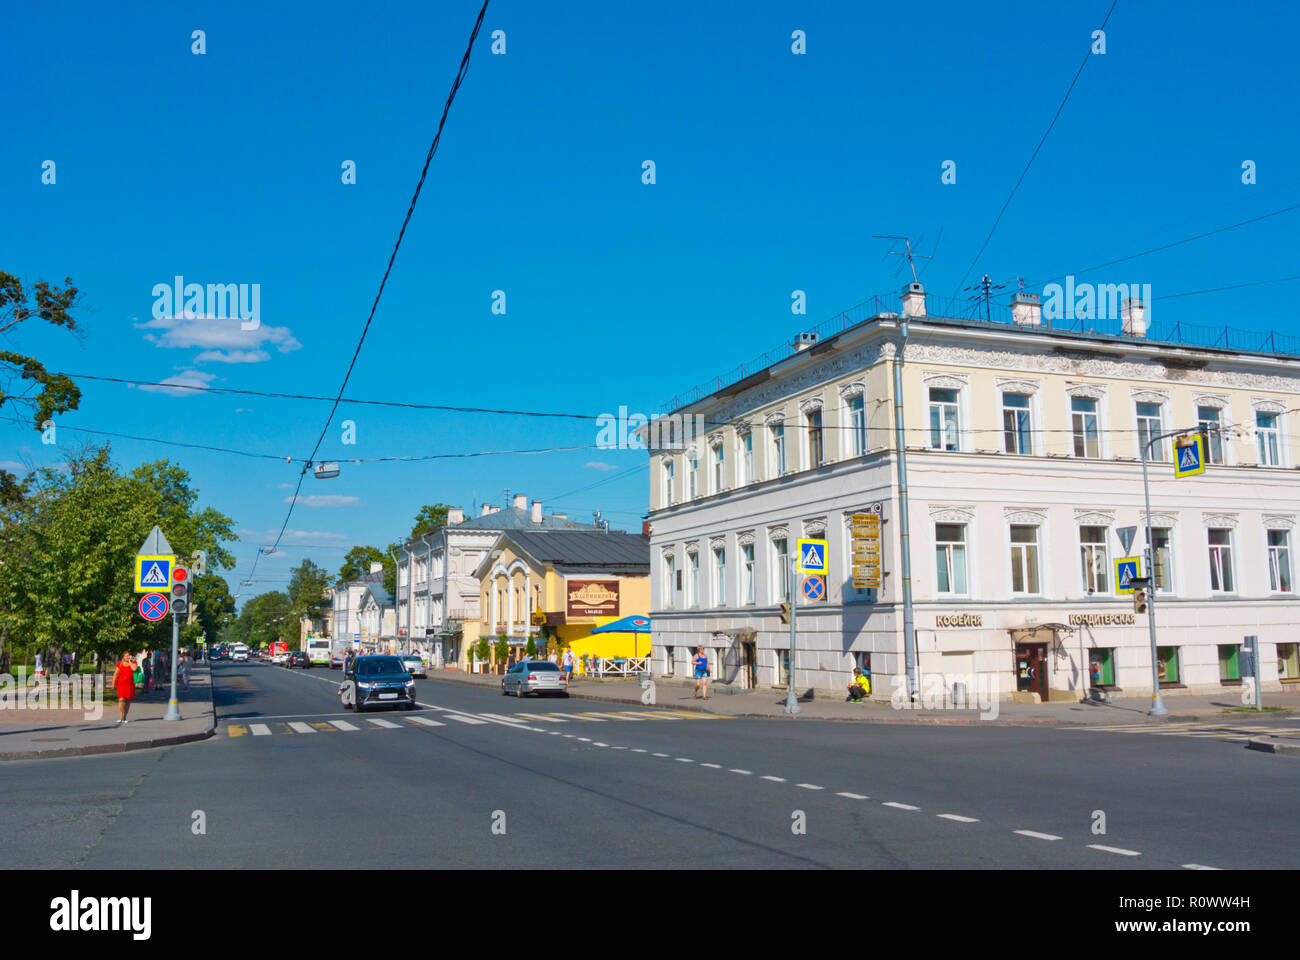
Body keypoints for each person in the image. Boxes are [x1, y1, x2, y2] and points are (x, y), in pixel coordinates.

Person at [114, 652, 137, 724]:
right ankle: (120, 717)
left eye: (128, 656)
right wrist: (113, 683)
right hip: (121, 684)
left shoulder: (134, 662)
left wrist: (130, 662)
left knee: (127, 701)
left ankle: (125, 717)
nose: (127, 657)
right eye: (126, 656)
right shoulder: (120, 663)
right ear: (123, 657)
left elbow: (134, 669)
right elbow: (116, 674)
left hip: (130, 685)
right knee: (121, 699)